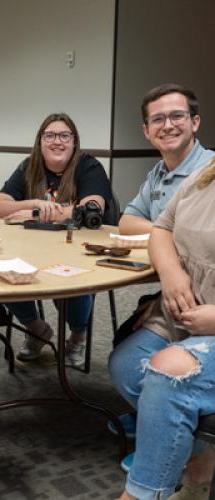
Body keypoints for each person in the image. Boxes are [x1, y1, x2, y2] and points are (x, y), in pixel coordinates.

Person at [108, 84, 215, 467]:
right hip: (178, 302)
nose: (168, 125)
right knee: (123, 364)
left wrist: (162, 236)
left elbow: (157, 229)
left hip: (208, 312)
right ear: (147, 130)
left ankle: (182, 445)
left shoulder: (205, 172)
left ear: (195, 123)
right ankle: (176, 432)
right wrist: (167, 254)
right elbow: (138, 223)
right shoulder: (167, 174)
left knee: (163, 375)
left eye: (177, 116)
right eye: (158, 119)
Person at [0, 113, 114, 366]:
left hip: (77, 248)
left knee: (74, 278)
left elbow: (92, 208)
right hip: (33, 247)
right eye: (49, 136)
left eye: (64, 136)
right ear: (40, 141)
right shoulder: (29, 166)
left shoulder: (88, 166)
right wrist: (35, 203)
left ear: (74, 142)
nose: (57, 142)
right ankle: (36, 328)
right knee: (1, 271)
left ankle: (79, 336)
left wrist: (37, 214)